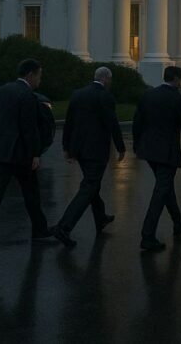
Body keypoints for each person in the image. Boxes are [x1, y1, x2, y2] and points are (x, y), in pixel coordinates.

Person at [0, 59, 51, 253]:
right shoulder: (28, 96)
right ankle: (40, 230)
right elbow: (29, 129)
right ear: (30, 75)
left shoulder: (5, 90)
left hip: (0, 150)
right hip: (20, 154)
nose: (39, 80)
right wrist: (35, 154)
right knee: (31, 193)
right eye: (39, 76)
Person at [51, 67, 126, 248]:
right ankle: (64, 227)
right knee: (89, 187)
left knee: (92, 184)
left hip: (80, 150)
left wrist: (66, 147)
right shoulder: (106, 97)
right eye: (110, 80)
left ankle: (100, 218)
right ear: (106, 79)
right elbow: (112, 123)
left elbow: (69, 122)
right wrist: (121, 147)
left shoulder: (78, 94)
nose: (110, 83)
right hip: (96, 151)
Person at [132, 65, 181, 252]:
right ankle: (147, 236)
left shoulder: (148, 95)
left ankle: (177, 223)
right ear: (176, 78)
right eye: (180, 80)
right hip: (166, 153)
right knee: (161, 191)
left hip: (149, 151)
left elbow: (137, 122)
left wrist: (136, 145)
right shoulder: (177, 99)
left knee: (166, 188)